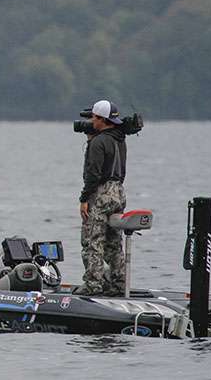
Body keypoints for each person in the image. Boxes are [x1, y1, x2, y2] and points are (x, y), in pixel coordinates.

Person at [75, 99, 128, 296]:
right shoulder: (119, 139)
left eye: (94, 118)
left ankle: (92, 285)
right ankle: (118, 283)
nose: (91, 122)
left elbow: (93, 174)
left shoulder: (98, 142)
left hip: (101, 194)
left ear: (101, 119)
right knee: (113, 243)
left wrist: (84, 198)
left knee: (92, 241)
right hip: (118, 192)